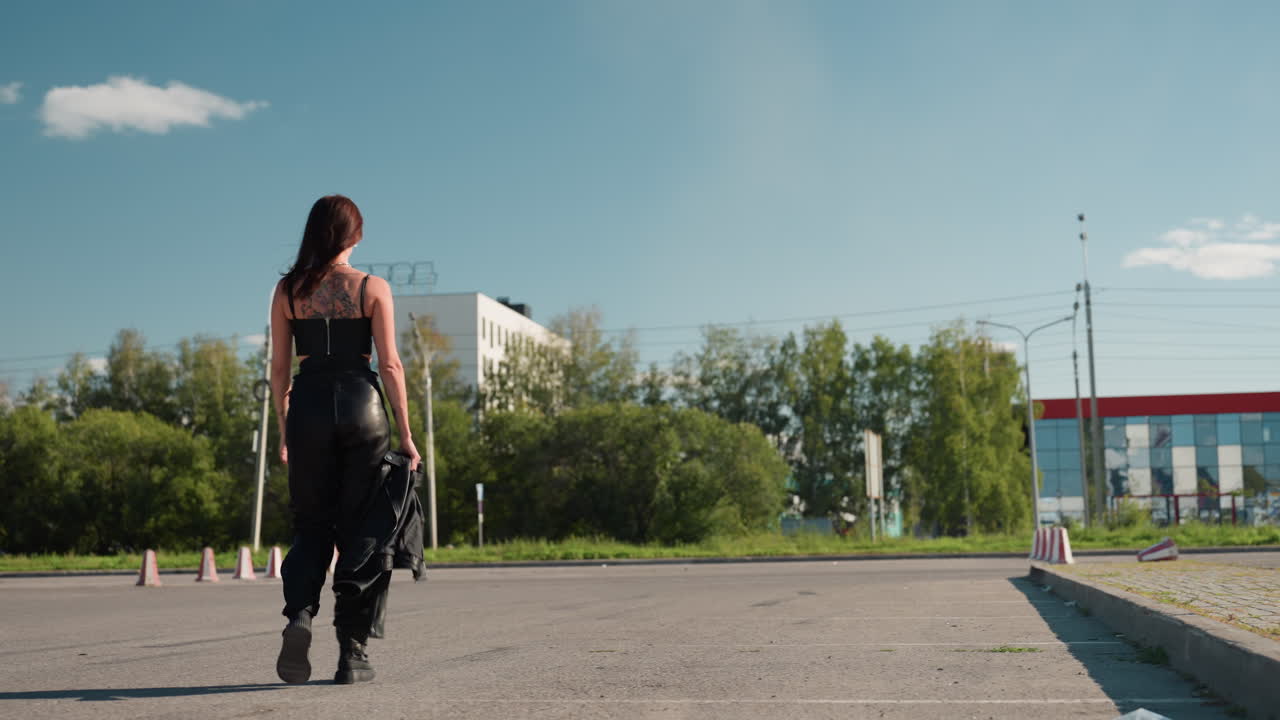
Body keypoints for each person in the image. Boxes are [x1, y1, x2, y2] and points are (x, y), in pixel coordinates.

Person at [268, 195, 421, 685]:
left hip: (309, 406)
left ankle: (299, 616)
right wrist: (407, 434)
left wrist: (284, 429)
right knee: (364, 526)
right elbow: (391, 364)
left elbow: (278, 370)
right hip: (363, 406)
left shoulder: (288, 291)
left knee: (311, 523)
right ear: (354, 236)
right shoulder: (372, 287)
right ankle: (352, 653)